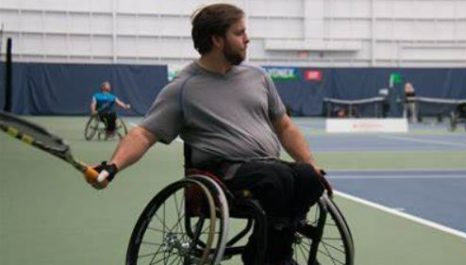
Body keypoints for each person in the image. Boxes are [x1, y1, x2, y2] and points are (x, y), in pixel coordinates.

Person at [90, 3, 331, 265]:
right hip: (225, 175)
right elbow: (144, 134)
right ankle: (275, 255)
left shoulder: (258, 77)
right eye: (239, 33)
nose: (247, 39)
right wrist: (113, 166)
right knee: (276, 178)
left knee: (309, 178)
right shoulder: (183, 88)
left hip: (268, 167)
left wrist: (310, 162)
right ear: (217, 39)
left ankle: (264, 250)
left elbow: (284, 126)